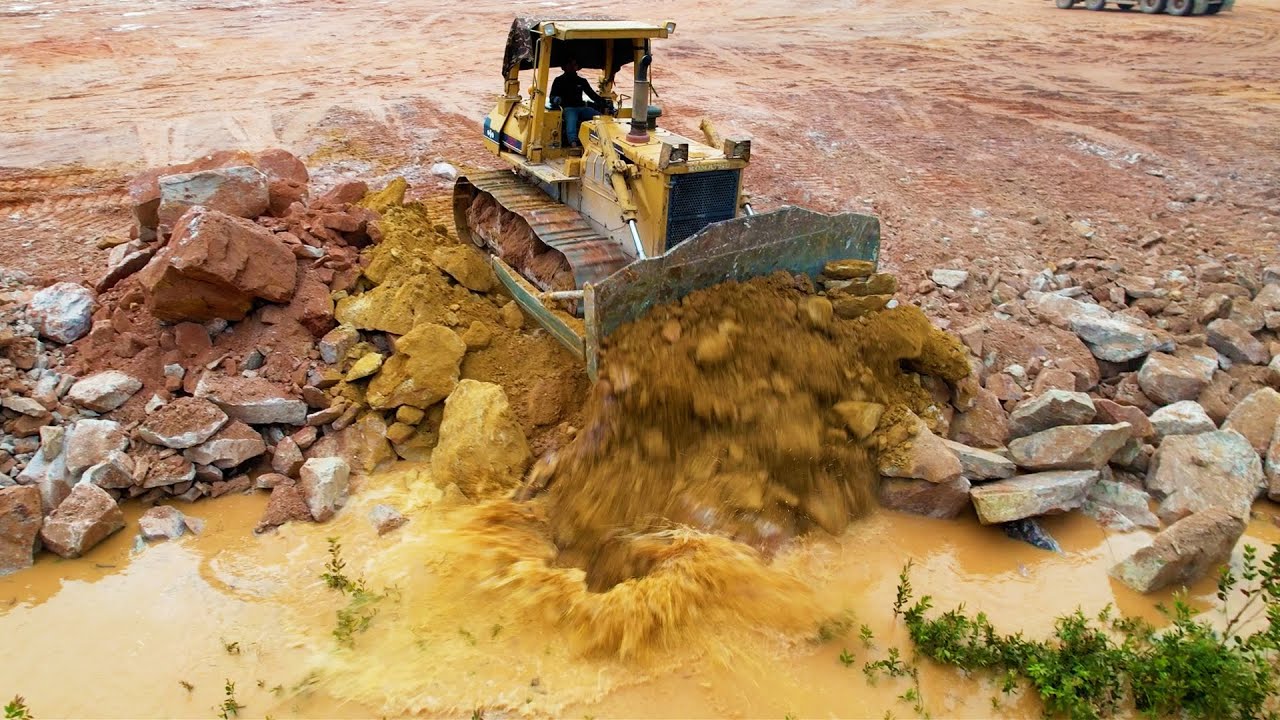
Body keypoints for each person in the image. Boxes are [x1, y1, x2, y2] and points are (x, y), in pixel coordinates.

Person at [551, 58, 604, 147]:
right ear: (564, 67)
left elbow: (592, 95)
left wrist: (604, 102)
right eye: (569, 64)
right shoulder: (558, 80)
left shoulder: (581, 81)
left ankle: (601, 140)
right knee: (571, 122)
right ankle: (573, 143)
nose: (572, 67)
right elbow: (552, 96)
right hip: (568, 108)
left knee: (601, 118)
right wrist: (556, 99)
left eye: (574, 64)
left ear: (577, 67)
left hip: (582, 108)